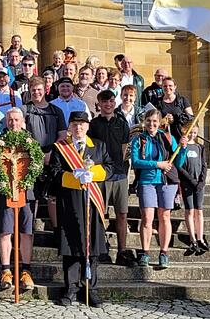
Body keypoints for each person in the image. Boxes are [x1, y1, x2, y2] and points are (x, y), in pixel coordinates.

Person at [48, 111, 112, 307]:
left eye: (82, 124)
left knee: (91, 246)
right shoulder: (61, 148)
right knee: (71, 244)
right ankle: (71, 288)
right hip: (70, 201)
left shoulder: (99, 146)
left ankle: (90, 289)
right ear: (70, 127)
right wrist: (74, 176)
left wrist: (93, 173)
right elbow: (54, 172)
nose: (79, 128)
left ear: (88, 126)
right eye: (75, 124)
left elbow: (110, 168)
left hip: (93, 202)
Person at [131, 109, 188, 269]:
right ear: (144, 121)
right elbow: (135, 162)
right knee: (147, 218)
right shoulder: (138, 139)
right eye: (149, 121)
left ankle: (164, 252)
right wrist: (157, 164)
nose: (151, 124)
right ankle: (145, 252)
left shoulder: (167, 137)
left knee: (165, 217)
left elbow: (178, 162)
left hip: (166, 182)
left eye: (155, 121)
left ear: (160, 122)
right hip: (147, 181)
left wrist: (183, 148)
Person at [88, 90, 132, 266]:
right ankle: (101, 249)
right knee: (100, 214)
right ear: (99, 103)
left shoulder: (121, 123)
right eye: (105, 102)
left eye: (111, 101)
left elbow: (124, 148)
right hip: (101, 175)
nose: (108, 104)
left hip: (119, 173)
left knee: (122, 214)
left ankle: (122, 250)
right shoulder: (93, 124)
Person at [0, 109, 36, 291]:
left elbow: (37, 163)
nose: (13, 123)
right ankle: (6, 270)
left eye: (17, 120)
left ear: (22, 121)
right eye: (10, 120)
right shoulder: (0, 142)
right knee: (5, 231)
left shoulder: (30, 143)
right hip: (6, 191)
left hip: (26, 191)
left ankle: (26, 270)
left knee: (26, 231)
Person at [23, 77, 66, 232]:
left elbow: (62, 135)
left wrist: (50, 153)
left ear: (45, 90)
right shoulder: (25, 110)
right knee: (31, 196)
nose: (36, 93)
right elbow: (22, 135)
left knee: (53, 197)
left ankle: (56, 230)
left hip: (52, 158)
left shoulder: (56, 111)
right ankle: (29, 229)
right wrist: (37, 154)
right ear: (29, 91)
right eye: (33, 90)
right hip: (30, 159)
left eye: (39, 90)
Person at [178, 125, 208, 255]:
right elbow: (180, 166)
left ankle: (200, 238)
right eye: (190, 132)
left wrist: (201, 181)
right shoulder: (182, 147)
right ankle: (192, 238)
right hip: (188, 182)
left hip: (199, 184)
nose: (192, 135)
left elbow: (204, 165)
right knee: (190, 210)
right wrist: (192, 180)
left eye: (195, 133)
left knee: (199, 211)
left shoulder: (200, 147)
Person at [157, 76, 194, 141]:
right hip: (163, 138)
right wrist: (163, 120)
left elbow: (191, 118)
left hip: (180, 136)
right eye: (165, 86)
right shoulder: (157, 102)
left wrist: (175, 118)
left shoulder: (182, 100)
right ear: (161, 87)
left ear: (175, 87)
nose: (167, 87)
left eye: (170, 85)